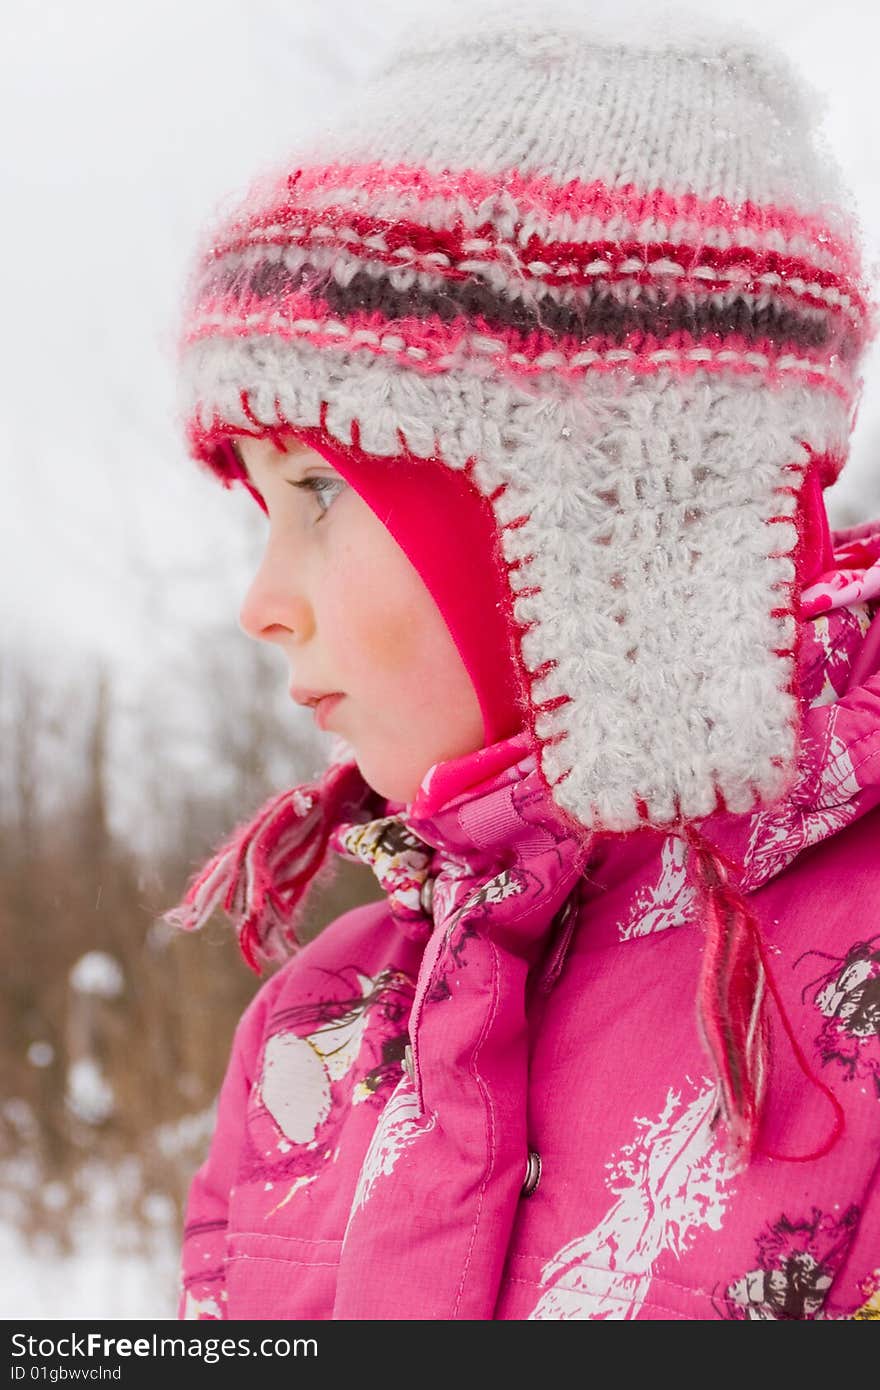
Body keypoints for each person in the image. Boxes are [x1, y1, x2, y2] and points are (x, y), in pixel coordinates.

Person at [165, 1, 880, 1319]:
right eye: (261, 511)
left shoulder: (848, 991)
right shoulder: (324, 1025)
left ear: (592, 506)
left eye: (319, 490)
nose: (264, 604)